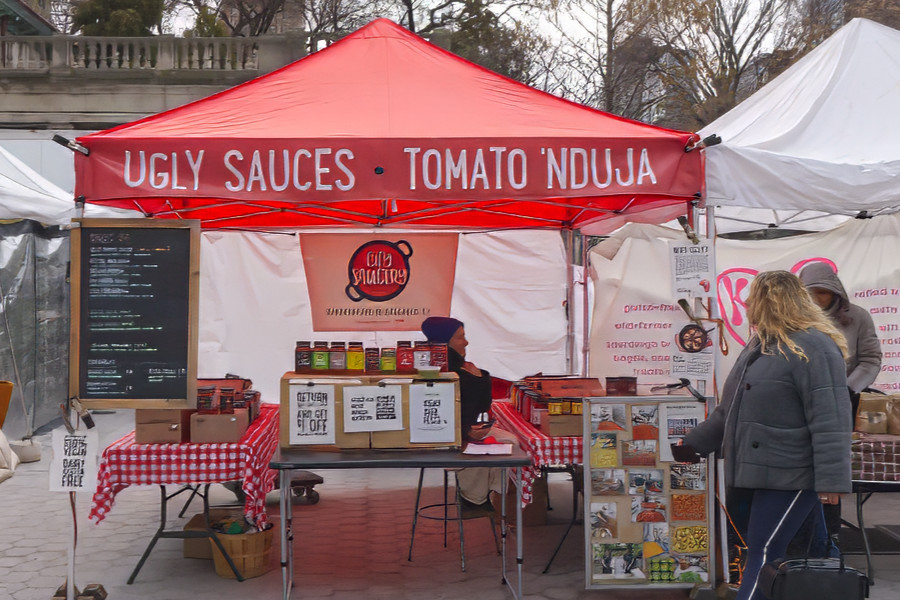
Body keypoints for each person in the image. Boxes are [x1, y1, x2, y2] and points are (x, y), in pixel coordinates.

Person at [674, 271, 852, 600]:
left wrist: (832, 481)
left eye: (751, 298)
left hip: (792, 472)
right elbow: (729, 410)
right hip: (755, 471)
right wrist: (691, 444)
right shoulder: (760, 345)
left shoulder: (815, 348)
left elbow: (831, 419)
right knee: (764, 549)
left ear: (770, 301)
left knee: (765, 549)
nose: (745, 304)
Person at [797, 261, 882, 548]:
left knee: (830, 467)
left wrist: (847, 387)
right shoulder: (794, 318)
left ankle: (828, 537)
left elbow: (870, 359)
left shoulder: (858, 317)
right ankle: (799, 534)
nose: (817, 299)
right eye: (811, 293)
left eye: (822, 293)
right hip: (802, 402)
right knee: (801, 466)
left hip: (843, 400)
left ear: (835, 292)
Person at [420, 316, 518, 513]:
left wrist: (478, 377)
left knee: (508, 440)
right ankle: (474, 498)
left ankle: (480, 495)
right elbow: (474, 407)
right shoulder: (444, 370)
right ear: (445, 341)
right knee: (503, 443)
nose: (466, 342)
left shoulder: (454, 366)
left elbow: (477, 409)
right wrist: (479, 378)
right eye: (460, 337)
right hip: (442, 440)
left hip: (457, 432)